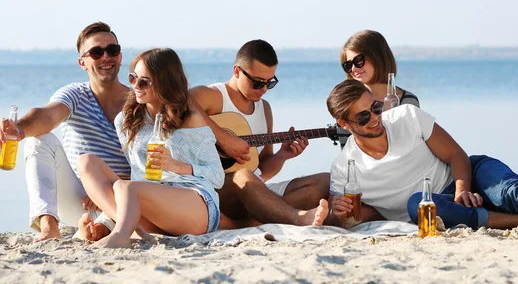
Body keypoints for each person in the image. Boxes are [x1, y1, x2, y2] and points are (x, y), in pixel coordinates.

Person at [326, 79, 518, 236]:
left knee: (511, 190)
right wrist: (339, 215)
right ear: (344, 123)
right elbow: (353, 219)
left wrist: (462, 188)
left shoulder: (407, 116)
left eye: (375, 107)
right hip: (438, 208)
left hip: (469, 176)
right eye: (363, 116)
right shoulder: (344, 169)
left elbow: (456, 154)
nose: (374, 119)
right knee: (420, 203)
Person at [76, 48, 224, 248]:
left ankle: (121, 234)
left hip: (195, 206)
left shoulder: (190, 119)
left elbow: (218, 177)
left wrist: (176, 166)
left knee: (123, 186)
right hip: (151, 208)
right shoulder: (126, 121)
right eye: (132, 78)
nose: (136, 86)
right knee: (86, 162)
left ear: (165, 83)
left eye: (144, 81)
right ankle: (127, 228)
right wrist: (104, 220)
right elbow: (138, 175)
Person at [0, 22, 131, 242]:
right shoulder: (75, 94)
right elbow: (47, 116)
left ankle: (100, 228)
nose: (106, 57)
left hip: (122, 199)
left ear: (119, 57)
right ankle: (49, 226)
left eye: (112, 50)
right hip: (79, 200)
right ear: (83, 63)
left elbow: (149, 163)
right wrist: (19, 129)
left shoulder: (139, 101)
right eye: (96, 52)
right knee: (38, 141)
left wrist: (108, 187)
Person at [190, 39, 329, 229]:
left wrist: (283, 156)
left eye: (269, 83)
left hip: (253, 192)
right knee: (243, 175)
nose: (263, 89)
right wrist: (224, 139)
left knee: (325, 181)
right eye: (256, 82)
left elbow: (262, 170)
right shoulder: (213, 96)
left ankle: (250, 221)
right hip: (215, 191)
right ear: (237, 71)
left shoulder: (264, 109)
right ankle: (297, 218)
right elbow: (181, 103)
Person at [340, 30, 419, 106]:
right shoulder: (348, 102)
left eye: (359, 61)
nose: (353, 69)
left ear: (378, 58)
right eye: (348, 65)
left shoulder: (407, 102)